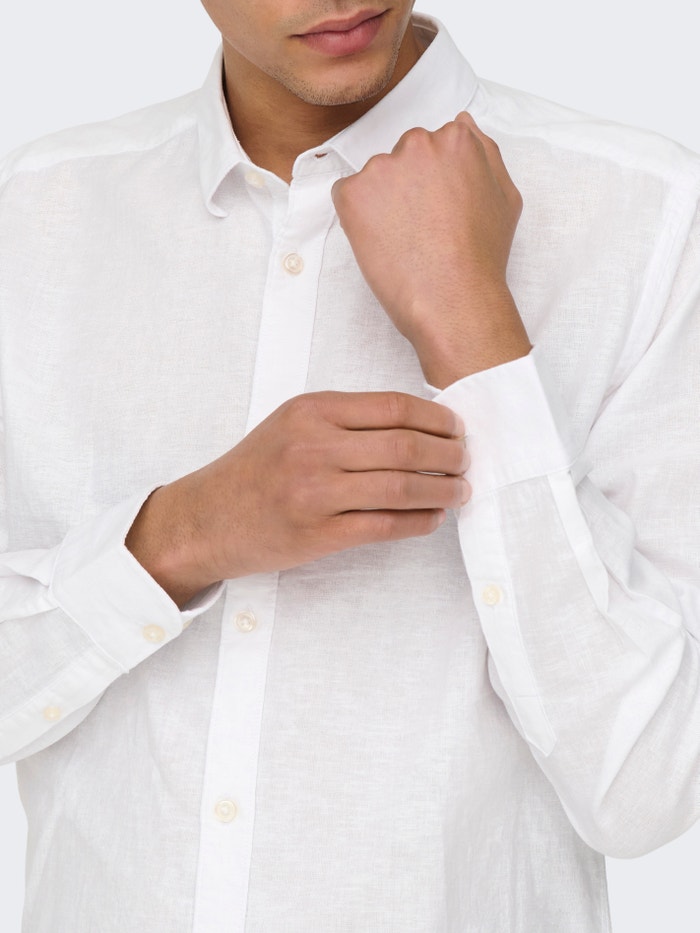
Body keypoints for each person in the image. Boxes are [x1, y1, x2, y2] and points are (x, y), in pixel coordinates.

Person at [1, 2, 699, 930]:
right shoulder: (35, 214)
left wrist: (473, 329)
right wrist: (180, 537)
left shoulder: (645, 213)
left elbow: (649, 785)